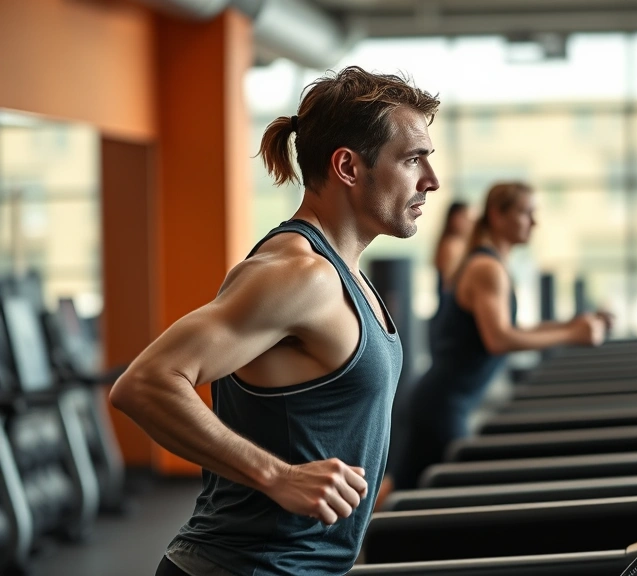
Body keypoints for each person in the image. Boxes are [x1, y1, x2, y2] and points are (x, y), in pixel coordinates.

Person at [109, 66, 440, 576]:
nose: (430, 181)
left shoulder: (344, 270)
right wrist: (277, 475)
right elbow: (146, 382)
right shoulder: (299, 274)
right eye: (412, 159)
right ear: (349, 167)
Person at [378, 182, 610, 502]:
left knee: (400, 491)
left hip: (440, 402)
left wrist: (572, 325)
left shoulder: (491, 263)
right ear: (498, 216)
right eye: (526, 213)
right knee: (435, 497)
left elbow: (513, 329)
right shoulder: (487, 267)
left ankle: (354, 546)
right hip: (443, 407)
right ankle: (355, 548)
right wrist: (572, 335)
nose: (534, 222)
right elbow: (499, 339)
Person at [433, 201, 473, 297]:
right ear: (454, 219)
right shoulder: (452, 245)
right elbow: (450, 284)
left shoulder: (457, 243)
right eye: (465, 217)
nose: (470, 222)